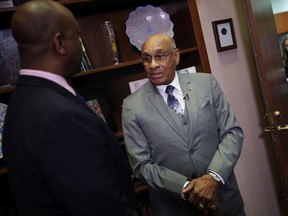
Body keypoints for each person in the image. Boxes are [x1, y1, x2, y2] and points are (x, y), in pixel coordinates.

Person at [2, 1, 138, 215]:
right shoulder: (61, 117)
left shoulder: (20, 100)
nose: (81, 45)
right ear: (60, 43)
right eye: (78, 34)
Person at [122, 33, 245, 216]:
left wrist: (212, 178)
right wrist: (187, 188)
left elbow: (232, 132)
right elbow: (142, 165)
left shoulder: (207, 84)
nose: (153, 64)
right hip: (174, 208)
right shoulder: (132, 106)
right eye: (147, 58)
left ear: (176, 56)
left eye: (160, 56)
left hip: (224, 202)